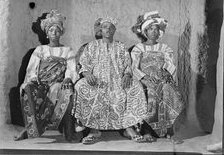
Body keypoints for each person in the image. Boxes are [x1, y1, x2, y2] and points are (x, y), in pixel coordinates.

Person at [72, 17, 148, 144]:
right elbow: (83, 64)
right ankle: (94, 129)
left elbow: (128, 65)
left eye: (111, 27)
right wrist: (86, 74)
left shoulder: (121, 46)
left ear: (114, 30)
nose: (108, 30)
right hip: (97, 81)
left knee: (136, 87)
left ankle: (128, 128)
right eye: (105, 27)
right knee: (81, 86)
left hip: (118, 81)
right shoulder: (92, 46)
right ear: (101, 30)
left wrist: (127, 75)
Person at [14, 10, 78, 142]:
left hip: (58, 83)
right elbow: (32, 69)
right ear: (47, 33)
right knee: (27, 88)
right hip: (41, 83)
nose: (54, 33)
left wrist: (67, 78)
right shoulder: (40, 50)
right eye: (51, 30)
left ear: (61, 33)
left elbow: (71, 67)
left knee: (67, 91)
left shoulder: (67, 50)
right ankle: (30, 129)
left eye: (57, 30)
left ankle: (69, 129)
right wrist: (32, 80)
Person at [131, 11, 185, 144]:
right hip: (145, 79)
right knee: (150, 92)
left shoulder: (165, 47)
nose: (154, 31)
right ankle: (147, 131)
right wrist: (144, 78)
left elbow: (170, 64)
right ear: (145, 32)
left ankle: (170, 131)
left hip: (162, 78)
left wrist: (164, 75)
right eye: (150, 29)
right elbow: (133, 67)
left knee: (169, 91)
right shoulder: (138, 48)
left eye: (156, 29)